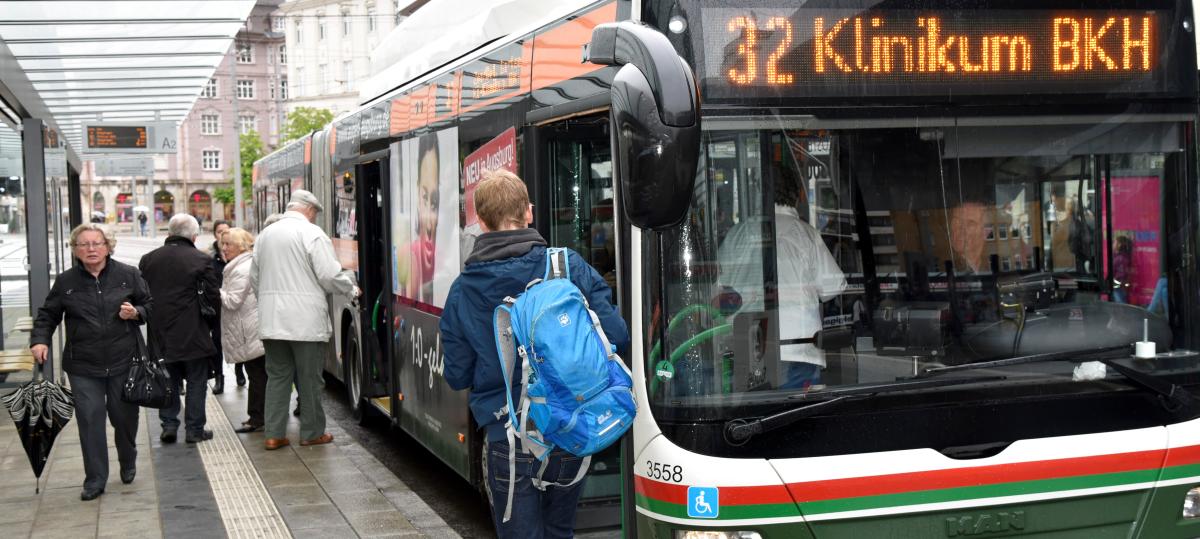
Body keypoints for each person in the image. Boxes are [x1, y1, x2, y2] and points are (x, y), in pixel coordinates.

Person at [440, 169, 629, 539]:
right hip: (570, 427)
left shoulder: (463, 290)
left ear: (480, 221)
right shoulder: (566, 267)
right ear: (529, 212)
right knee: (560, 532)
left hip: (507, 439)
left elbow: (457, 375)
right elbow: (617, 335)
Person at [30, 224, 152, 500]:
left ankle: (128, 457)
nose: (91, 249)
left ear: (108, 246)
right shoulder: (65, 281)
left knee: (124, 419)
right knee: (90, 420)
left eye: (97, 243)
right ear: (75, 250)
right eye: (84, 244)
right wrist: (40, 340)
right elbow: (48, 315)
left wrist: (137, 313)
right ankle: (95, 479)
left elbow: (150, 305)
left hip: (124, 361)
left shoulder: (128, 275)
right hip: (84, 365)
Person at [718, 165, 846, 390]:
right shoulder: (805, 234)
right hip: (799, 348)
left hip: (749, 346)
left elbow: (718, 289)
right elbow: (833, 286)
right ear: (797, 195)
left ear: (758, 192)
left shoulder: (736, 235)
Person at [251, 190, 358, 450]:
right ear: (310, 210)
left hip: (272, 322)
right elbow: (328, 275)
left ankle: (274, 434)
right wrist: (351, 289)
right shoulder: (312, 234)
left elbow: (255, 278)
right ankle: (311, 432)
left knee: (277, 377)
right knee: (310, 380)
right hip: (305, 323)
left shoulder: (265, 236)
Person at [139, 214, 220, 444]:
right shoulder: (200, 259)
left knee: (167, 379)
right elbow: (213, 298)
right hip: (193, 331)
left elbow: (142, 294)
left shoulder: (148, 260)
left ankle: (169, 425)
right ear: (194, 236)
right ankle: (194, 430)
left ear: (169, 232)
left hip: (160, 332)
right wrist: (214, 327)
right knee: (196, 380)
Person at [219, 228, 267, 433]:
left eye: (228, 244)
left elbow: (232, 301)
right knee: (257, 373)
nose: (224, 248)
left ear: (240, 246)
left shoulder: (242, 268)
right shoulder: (239, 265)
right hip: (249, 328)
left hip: (250, 330)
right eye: (223, 243)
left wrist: (215, 291)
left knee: (257, 374)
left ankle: (258, 418)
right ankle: (259, 416)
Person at [410, 133, 439, 302]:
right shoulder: (411, 257)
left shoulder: (447, 256)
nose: (429, 223)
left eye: (434, 202)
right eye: (425, 197)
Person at [208, 220, 233, 392]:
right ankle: (219, 377)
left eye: (226, 230)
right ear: (214, 234)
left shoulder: (238, 253)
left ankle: (239, 371)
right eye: (219, 231)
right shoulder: (209, 257)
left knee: (238, 339)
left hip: (235, 305)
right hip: (217, 306)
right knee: (217, 341)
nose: (222, 234)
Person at [1112, 235, 1133, 304]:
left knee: (1121, 304)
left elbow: (1116, 272)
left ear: (1119, 245)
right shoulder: (1123, 256)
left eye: (1115, 242)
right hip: (1121, 284)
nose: (1113, 244)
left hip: (1117, 285)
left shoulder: (1119, 258)